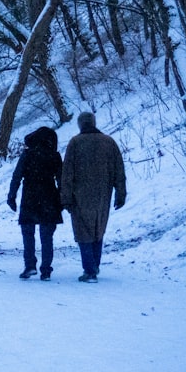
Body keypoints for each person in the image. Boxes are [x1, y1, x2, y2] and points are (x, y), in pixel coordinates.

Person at [60, 111, 126, 283]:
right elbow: (119, 170)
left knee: (83, 231)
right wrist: (120, 193)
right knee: (98, 230)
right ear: (94, 122)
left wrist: (65, 197)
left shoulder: (75, 143)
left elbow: (67, 172)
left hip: (80, 194)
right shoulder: (109, 142)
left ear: (80, 125)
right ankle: (94, 265)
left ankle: (89, 270)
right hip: (103, 194)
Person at [7, 126, 63, 281]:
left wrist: (12, 196)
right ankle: (46, 270)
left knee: (28, 233)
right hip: (49, 196)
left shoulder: (28, 154)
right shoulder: (54, 156)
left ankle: (30, 265)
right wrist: (63, 199)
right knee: (47, 236)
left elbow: (17, 176)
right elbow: (61, 179)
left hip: (30, 197)